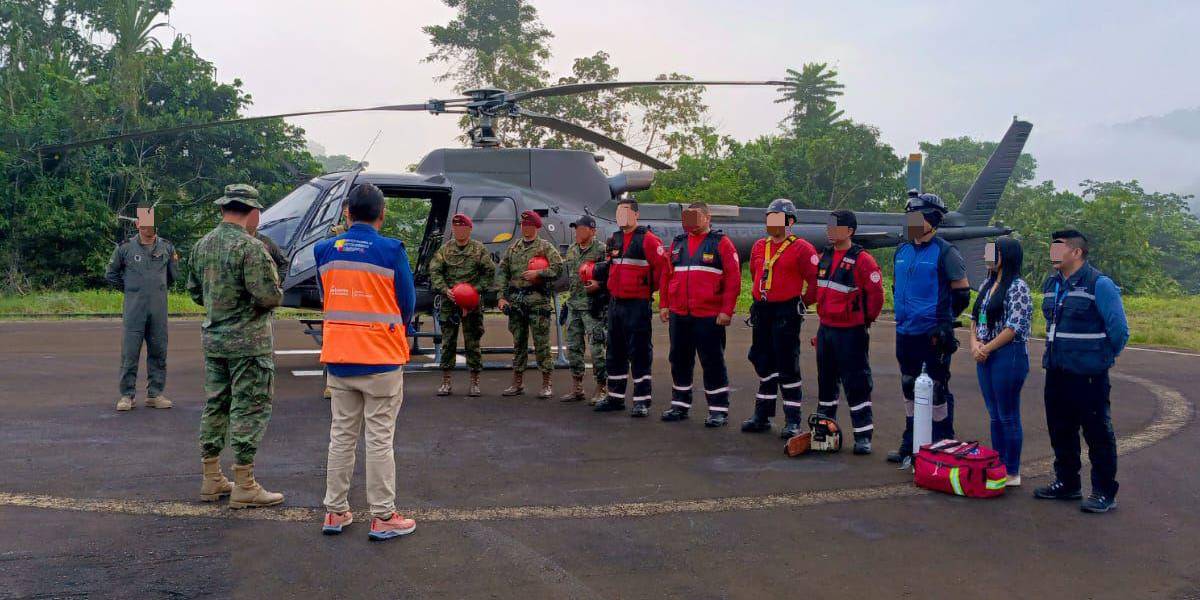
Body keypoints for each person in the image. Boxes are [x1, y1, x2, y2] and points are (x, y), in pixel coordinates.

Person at [314, 182, 419, 541]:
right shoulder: (391, 251)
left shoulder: (325, 250)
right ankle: (382, 516)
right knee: (379, 439)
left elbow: (327, 294)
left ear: (347, 213)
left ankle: (335, 511)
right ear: (382, 214)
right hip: (380, 359)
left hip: (339, 357)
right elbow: (406, 301)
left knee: (341, 435)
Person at [186, 183, 283, 508]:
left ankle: (211, 477)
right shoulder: (251, 248)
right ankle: (244, 483)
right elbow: (269, 296)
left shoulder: (202, 246)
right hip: (249, 344)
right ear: (252, 212)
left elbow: (196, 293)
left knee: (216, 404)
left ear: (224, 208)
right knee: (250, 406)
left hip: (214, 340)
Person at [1034, 229, 1129, 514]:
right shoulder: (1052, 283)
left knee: (1097, 433)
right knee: (1060, 429)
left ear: (1076, 252)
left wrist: (1101, 358)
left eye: (1058, 247)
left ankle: (1103, 491)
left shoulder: (1099, 284)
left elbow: (1119, 330)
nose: (1052, 252)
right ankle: (1067, 482)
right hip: (1057, 369)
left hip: (1088, 374)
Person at [887, 193, 972, 468]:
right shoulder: (902, 250)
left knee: (936, 388)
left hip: (933, 334)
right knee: (908, 385)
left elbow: (961, 293)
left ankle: (942, 441)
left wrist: (945, 322)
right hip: (906, 331)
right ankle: (910, 441)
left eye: (917, 217)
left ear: (933, 221)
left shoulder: (946, 252)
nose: (911, 222)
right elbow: (897, 288)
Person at [659, 202, 741, 427]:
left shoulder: (721, 243)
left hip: (708, 315)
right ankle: (680, 405)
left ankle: (718, 409)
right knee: (679, 359)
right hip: (680, 314)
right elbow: (667, 275)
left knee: (712, 361)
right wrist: (664, 304)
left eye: (695, 217)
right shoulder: (678, 243)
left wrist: (726, 310)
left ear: (707, 217)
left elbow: (733, 279)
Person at [742, 199, 818, 438]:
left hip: (786, 312)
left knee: (787, 365)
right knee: (761, 359)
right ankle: (762, 415)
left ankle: (793, 420)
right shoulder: (758, 246)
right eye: (769, 217)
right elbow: (756, 274)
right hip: (762, 310)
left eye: (777, 218)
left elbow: (815, 282)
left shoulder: (803, 248)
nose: (772, 222)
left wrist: (802, 303)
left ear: (790, 222)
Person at [813, 210, 885, 454]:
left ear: (850, 231)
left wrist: (863, 320)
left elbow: (876, 297)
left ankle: (863, 436)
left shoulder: (863, 260)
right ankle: (824, 433)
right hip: (826, 330)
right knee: (825, 384)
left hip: (850, 332)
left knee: (857, 384)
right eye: (829, 226)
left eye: (835, 227)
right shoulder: (824, 256)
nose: (830, 230)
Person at [594, 198, 669, 418]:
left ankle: (641, 400)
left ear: (636, 214)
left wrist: (647, 292)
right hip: (615, 304)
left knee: (639, 352)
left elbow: (662, 272)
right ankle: (615, 397)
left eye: (626, 212)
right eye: (618, 213)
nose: (621, 217)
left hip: (637, 304)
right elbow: (612, 268)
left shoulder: (648, 240)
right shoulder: (614, 240)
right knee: (614, 351)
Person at [969, 237, 1032, 486]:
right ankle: (998, 463)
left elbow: (1013, 327)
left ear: (1006, 256)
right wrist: (974, 344)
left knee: (1008, 414)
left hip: (1008, 354)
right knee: (994, 414)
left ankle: (1012, 470)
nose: (988, 256)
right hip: (985, 352)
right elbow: (975, 318)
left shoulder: (1018, 287)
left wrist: (986, 348)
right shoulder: (986, 284)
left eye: (993, 252)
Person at [105, 208, 178, 411]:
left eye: (152, 223)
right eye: (144, 223)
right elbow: (111, 274)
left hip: (158, 310)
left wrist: (156, 289)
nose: (148, 227)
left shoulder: (167, 248)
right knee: (130, 353)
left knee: (158, 351)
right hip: (134, 309)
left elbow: (173, 276)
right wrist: (131, 288)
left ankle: (155, 394)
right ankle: (126, 396)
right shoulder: (125, 248)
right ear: (138, 224)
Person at [495, 210, 564, 398]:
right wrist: (501, 297)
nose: (525, 228)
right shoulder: (513, 248)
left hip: (537, 302)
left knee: (541, 344)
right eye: (523, 225)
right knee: (518, 343)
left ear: (535, 227)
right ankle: (517, 383)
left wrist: (539, 273)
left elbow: (558, 268)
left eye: (529, 225)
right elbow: (502, 273)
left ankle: (547, 383)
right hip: (517, 302)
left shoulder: (545, 247)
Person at [429, 213, 497, 397]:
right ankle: (446, 381)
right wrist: (444, 289)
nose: (459, 230)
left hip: (472, 303)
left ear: (469, 229)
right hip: (449, 303)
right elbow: (434, 271)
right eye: (456, 227)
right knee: (448, 342)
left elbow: (489, 272)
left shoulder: (478, 249)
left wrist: (475, 290)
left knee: (473, 342)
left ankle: (475, 382)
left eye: (462, 227)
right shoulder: (445, 250)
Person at [561, 215, 609, 403]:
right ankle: (577, 387)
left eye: (581, 229)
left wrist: (600, 284)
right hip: (574, 306)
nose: (577, 232)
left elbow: (611, 274)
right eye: (576, 229)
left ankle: (602, 387)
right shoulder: (572, 250)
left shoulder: (601, 250)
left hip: (592, 307)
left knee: (597, 348)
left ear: (592, 231)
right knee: (573, 348)